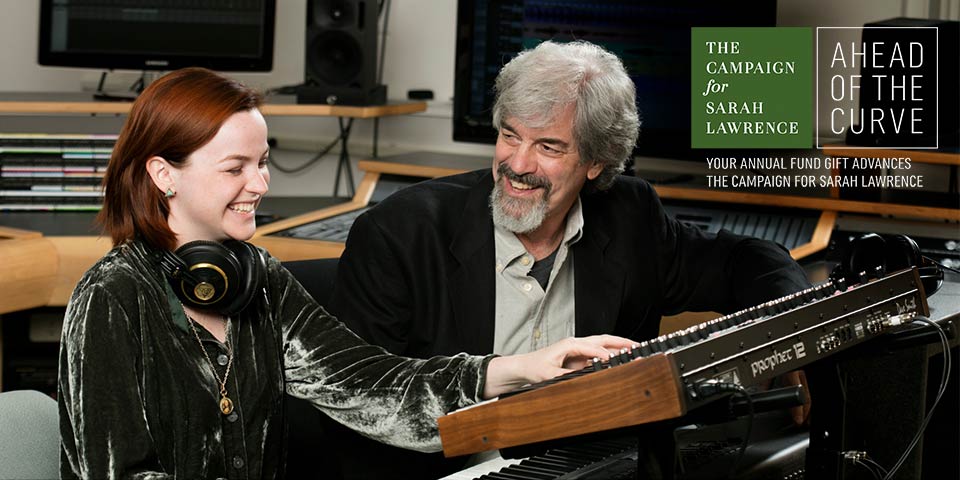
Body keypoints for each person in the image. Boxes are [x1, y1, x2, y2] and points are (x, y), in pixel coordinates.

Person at [56, 67, 637, 479]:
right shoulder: (112, 297)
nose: (260, 185)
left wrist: (520, 369)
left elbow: (370, 387)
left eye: (262, 163)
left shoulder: (260, 278)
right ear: (164, 174)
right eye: (235, 167)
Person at [327, 40, 813, 478]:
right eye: (510, 135)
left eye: (548, 147)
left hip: (591, 468)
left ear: (597, 161)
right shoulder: (399, 234)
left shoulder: (629, 216)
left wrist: (794, 332)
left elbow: (747, 260)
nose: (518, 165)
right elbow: (360, 402)